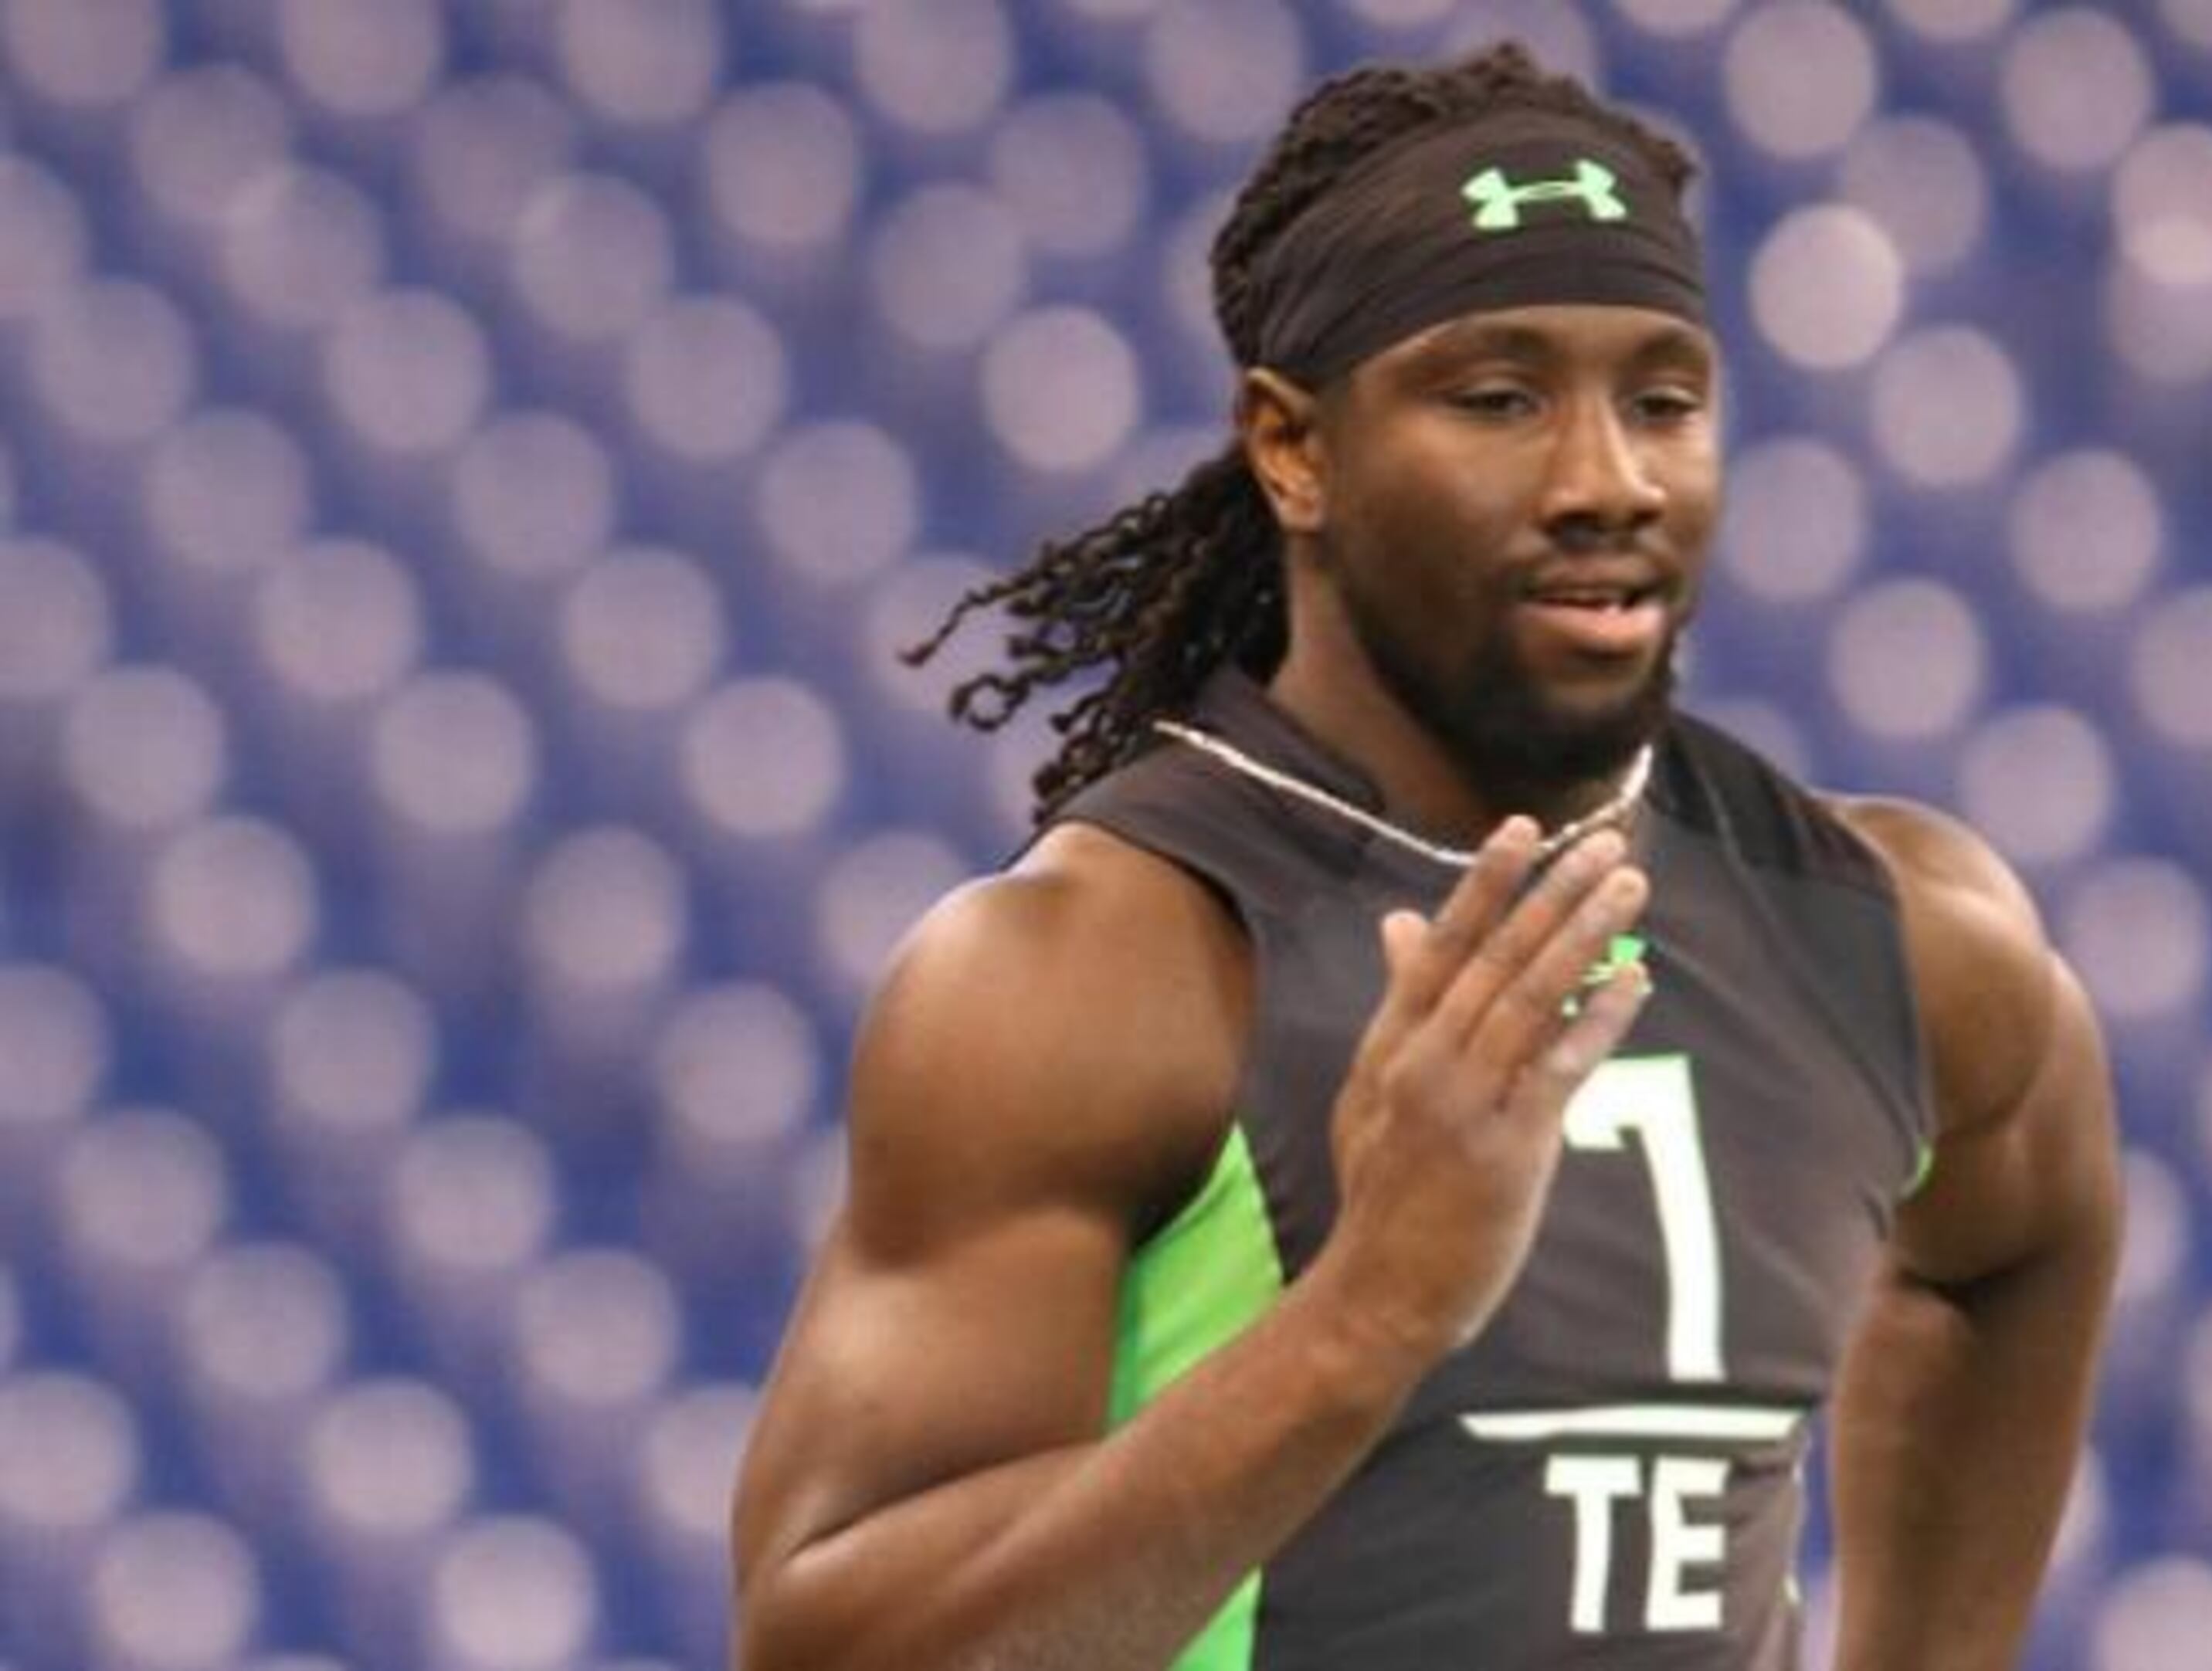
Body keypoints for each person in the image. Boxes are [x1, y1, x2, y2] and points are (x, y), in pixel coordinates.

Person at [731, 42, 2120, 1671]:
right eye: (1499, 398)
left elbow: (2018, 1252)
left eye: (1663, 401)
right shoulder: (1096, 971)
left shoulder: (1888, 931)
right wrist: (1367, 1316)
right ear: (1294, 449)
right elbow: (829, 1647)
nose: (1608, 479)